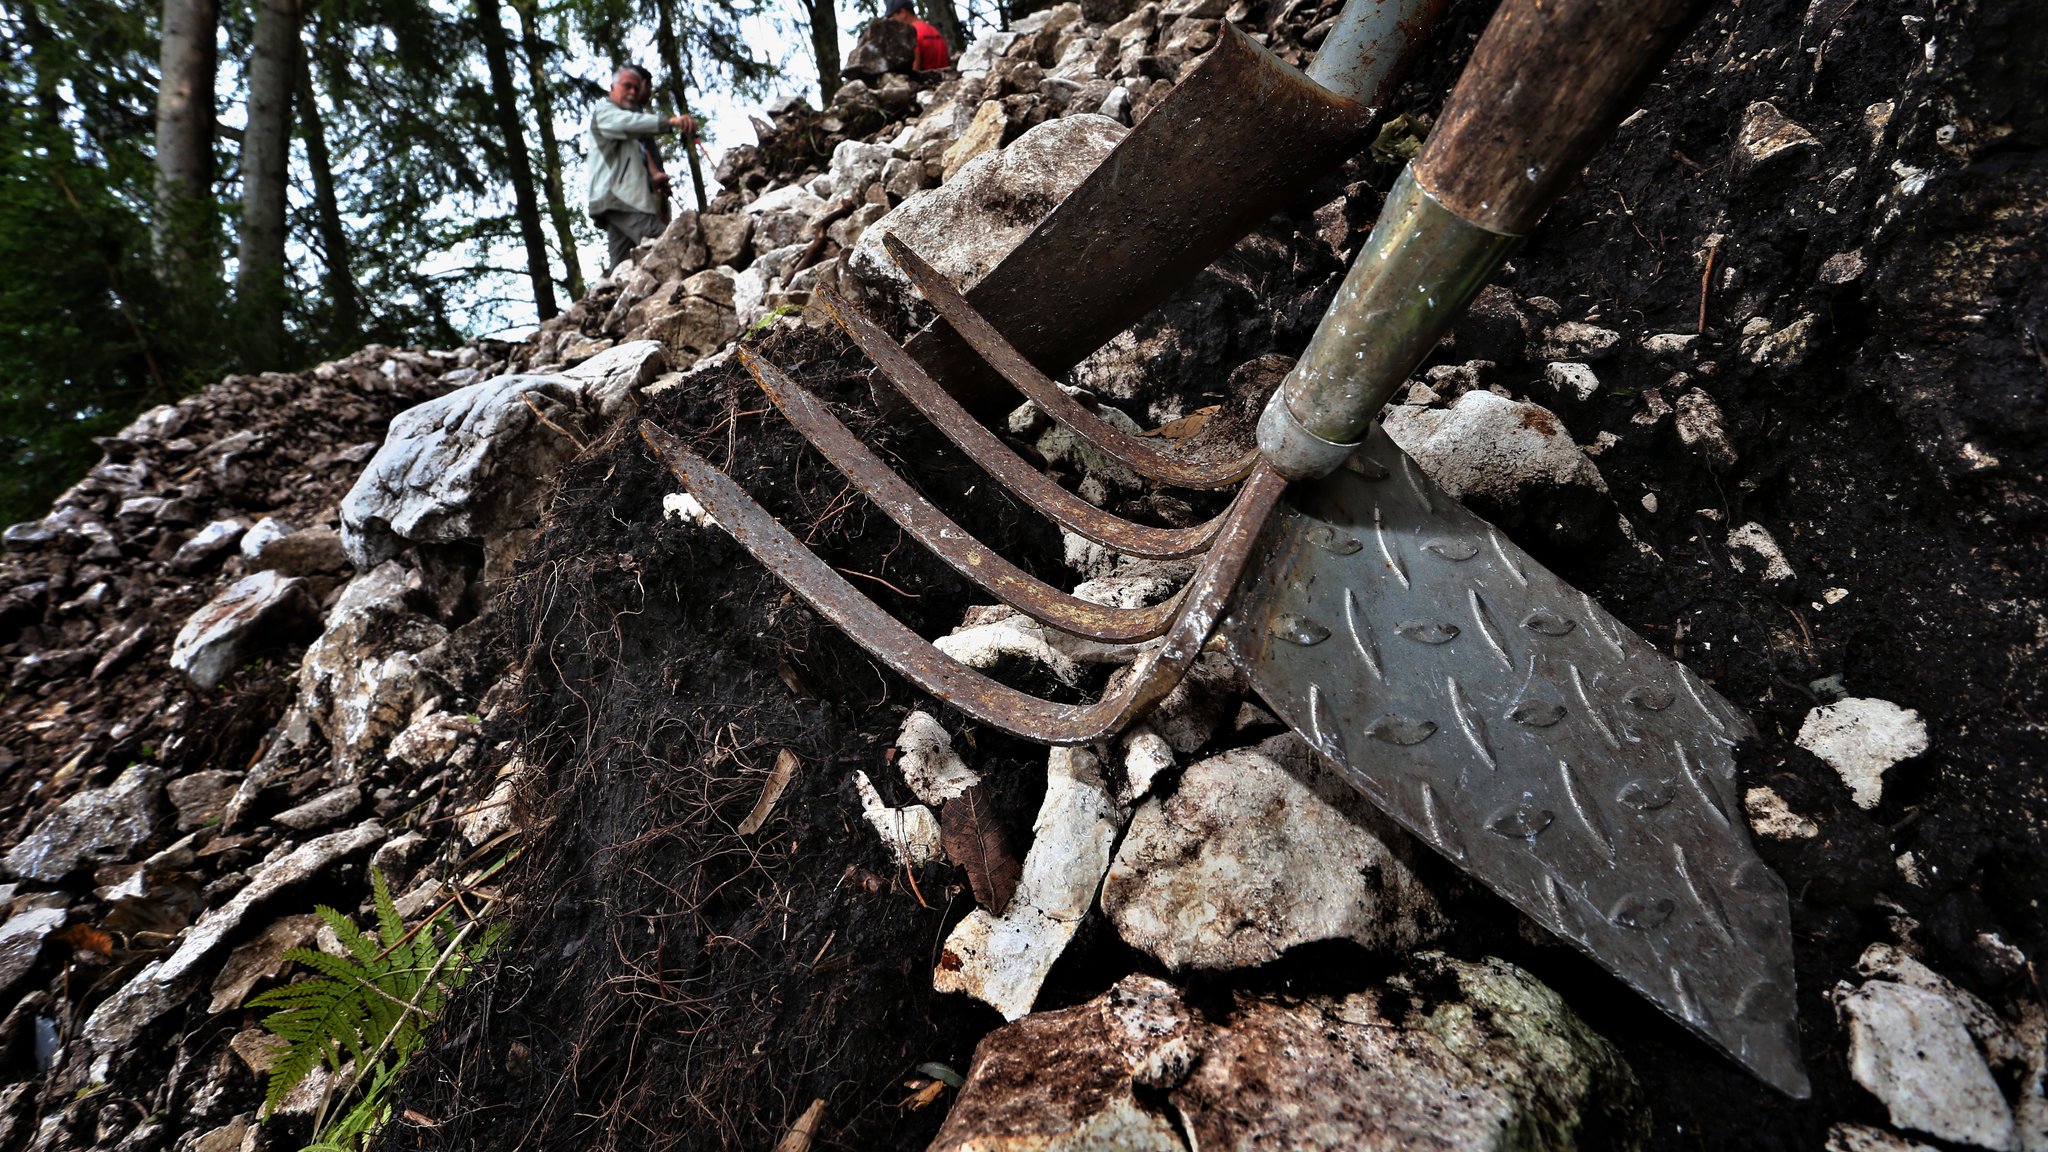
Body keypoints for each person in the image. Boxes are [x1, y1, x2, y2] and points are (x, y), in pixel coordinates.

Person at [587, 64, 697, 272]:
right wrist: (671, 122)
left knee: (621, 266)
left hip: (616, 199)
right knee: (667, 241)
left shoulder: (623, 128)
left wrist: (652, 178)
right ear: (613, 87)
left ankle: (612, 298)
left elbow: (629, 160)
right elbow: (627, 123)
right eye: (627, 86)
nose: (632, 93)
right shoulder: (607, 112)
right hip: (621, 199)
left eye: (636, 89)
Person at [885, 0, 951, 72]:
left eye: (892, 18)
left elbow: (914, 72)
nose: (891, 24)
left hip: (926, 82)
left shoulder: (910, 35)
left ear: (903, 13)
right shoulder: (933, 30)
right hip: (946, 80)